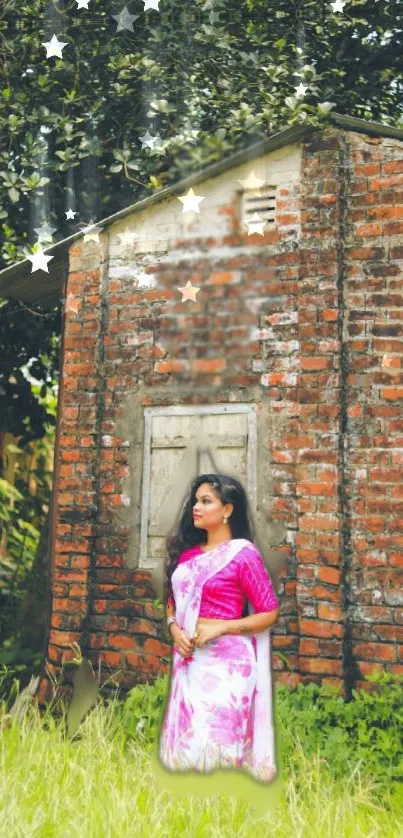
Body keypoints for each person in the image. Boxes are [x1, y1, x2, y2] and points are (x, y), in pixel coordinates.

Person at [159, 472, 279, 782]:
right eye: (196, 501)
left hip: (229, 666)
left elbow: (269, 613)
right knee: (188, 747)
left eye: (206, 501)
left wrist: (221, 628)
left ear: (227, 510)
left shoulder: (243, 554)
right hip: (190, 660)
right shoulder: (186, 557)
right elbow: (172, 603)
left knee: (219, 748)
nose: (196, 507)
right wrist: (175, 629)